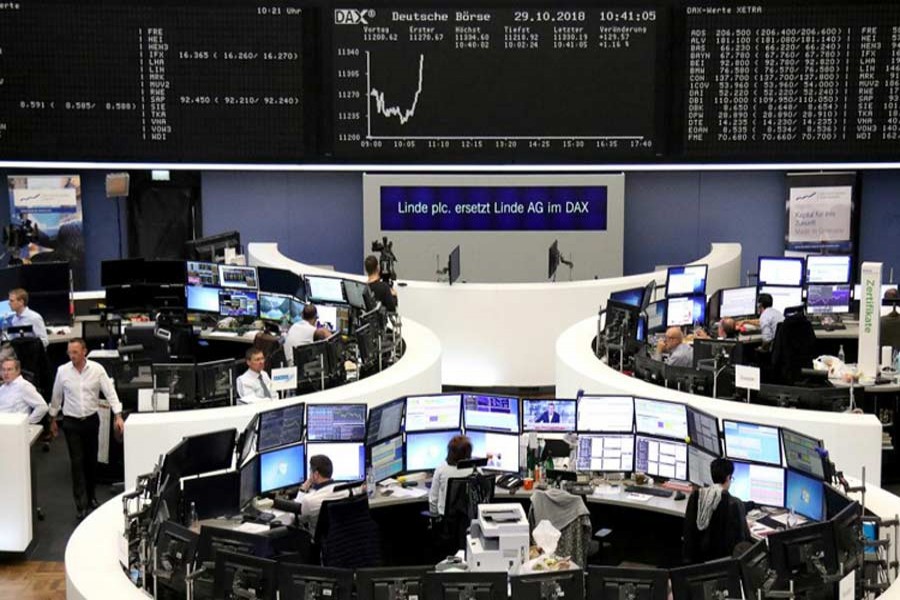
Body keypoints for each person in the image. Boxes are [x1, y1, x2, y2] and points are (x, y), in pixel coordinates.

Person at [49, 338, 125, 519]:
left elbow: (110, 392)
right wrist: (52, 419)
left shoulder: (97, 370)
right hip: (71, 422)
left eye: (75, 352)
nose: (72, 356)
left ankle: (91, 497)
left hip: (91, 420)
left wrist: (118, 415)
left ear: (84, 352)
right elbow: (56, 396)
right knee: (77, 463)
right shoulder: (62, 371)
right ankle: (80, 504)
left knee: (91, 462)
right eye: (69, 352)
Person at [683, 458, 751, 564]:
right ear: (728, 477)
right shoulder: (735, 504)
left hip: (697, 563)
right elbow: (744, 540)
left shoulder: (697, 496)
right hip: (723, 565)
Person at [295, 454, 347, 537]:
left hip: (319, 542)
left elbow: (295, 517)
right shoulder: (347, 490)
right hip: (342, 539)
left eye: (310, 471)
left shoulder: (309, 500)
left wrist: (303, 489)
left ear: (316, 474)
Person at [429, 434, 474, 516]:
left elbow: (433, 500)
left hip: (446, 519)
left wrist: (435, 517)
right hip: (469, 519)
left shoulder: (441, 469)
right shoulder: (475, 470)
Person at [0, 357, 48, 424]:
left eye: (9, 369)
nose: (6, 373)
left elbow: (42, 407)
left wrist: (27, 422)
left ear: (17, 371)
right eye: (3, 370)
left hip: (16, 426)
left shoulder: (24, 386)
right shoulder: (2, 388)